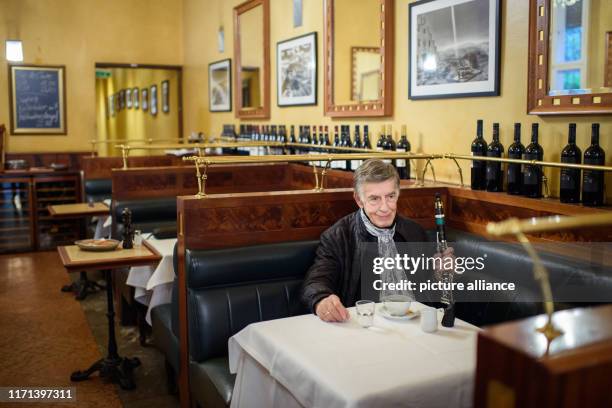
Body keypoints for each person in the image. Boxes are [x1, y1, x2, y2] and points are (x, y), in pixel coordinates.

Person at [301, 159, 452, 322]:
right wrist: (322, 299)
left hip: (415, 323)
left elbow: (431, 293)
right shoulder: (338, 236)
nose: (385, 207)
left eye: (390, 196)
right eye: (374, 199)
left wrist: (440, 275)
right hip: (365, 326)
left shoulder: (415, 232)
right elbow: (315, 282)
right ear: (359, 200)